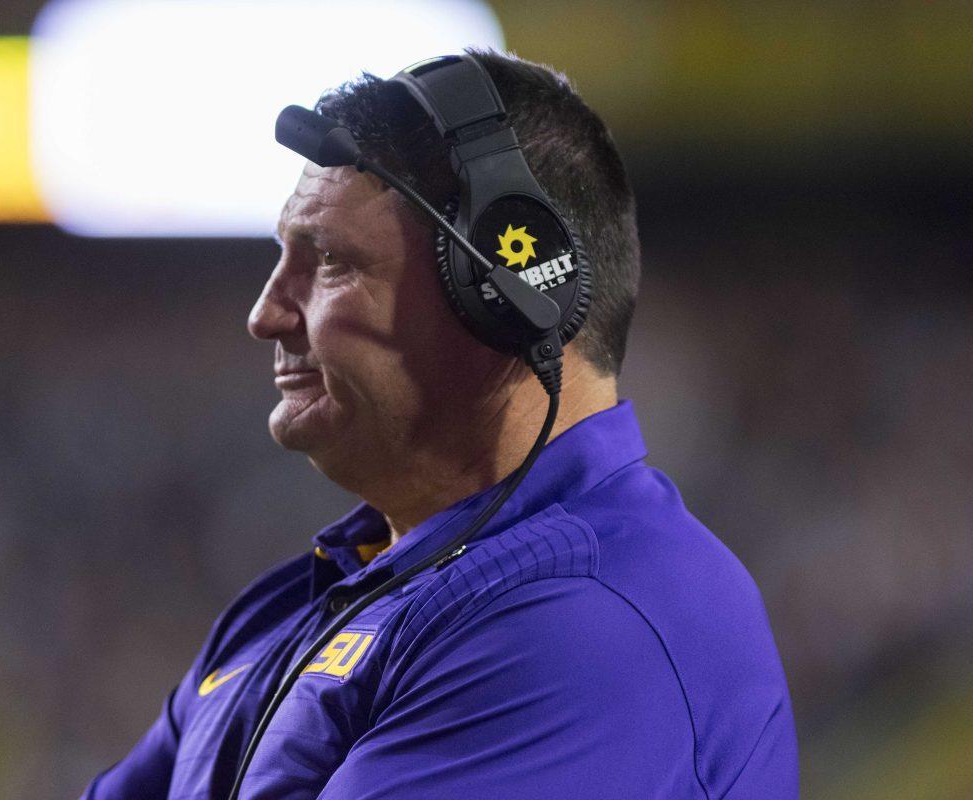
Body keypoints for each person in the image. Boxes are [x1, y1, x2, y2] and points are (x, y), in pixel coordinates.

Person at [79, 48, 798, 799]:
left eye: (327, 260)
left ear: (506, 291)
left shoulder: (589, 627)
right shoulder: (295, 605)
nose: (265, 314)